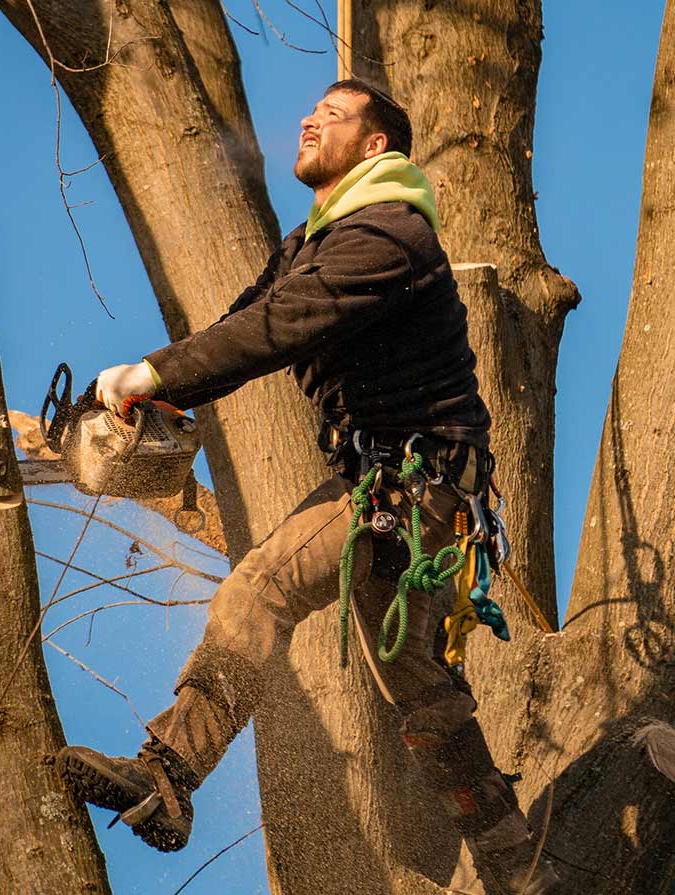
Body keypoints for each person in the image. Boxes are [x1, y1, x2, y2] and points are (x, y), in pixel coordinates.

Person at [56, 79, 558, 895]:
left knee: (258, 587)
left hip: (416, 488)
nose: (308, 118)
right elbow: (240, 324)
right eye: (309, 111)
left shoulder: (392, 236)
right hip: (384, 488)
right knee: (423, 696)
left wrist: (151, 370)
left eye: (332, 114)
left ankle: (167, 773)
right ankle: (518, 865)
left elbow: (277, 328)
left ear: (376, 147)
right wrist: (157, 396)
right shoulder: (309, 245)